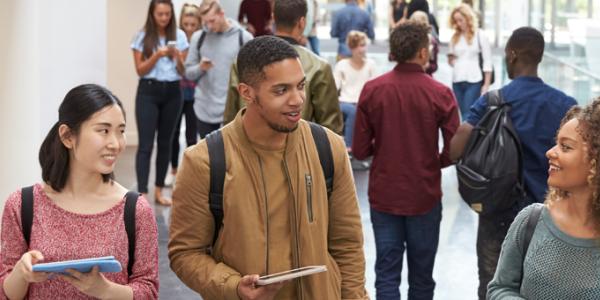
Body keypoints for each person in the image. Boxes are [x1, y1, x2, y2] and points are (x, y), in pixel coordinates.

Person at [168, 36, 368, 300]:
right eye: (281, 90)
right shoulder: (205, 161)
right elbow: (185, 253)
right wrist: (233, 286)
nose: (297, 100)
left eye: (300, 86)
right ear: (247, 92)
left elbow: (348, 244)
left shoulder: (328, 148)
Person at [450, 27, 577, 300]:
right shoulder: (565, 104)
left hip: (498, 211)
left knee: (493, 284)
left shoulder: (494, 101)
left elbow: (457, 146)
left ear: (512, 54)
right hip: (550, 213)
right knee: (543, 288)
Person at [0, 84, 159, 299]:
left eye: (120, 131)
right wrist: (21, 273)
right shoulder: (22, 204)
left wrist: (105, 290)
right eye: (103, 131)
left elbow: (148, 290)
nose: (116, 143)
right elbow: (5, 292)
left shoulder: (135, 209)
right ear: (67, 136)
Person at [353, 22, 459, 299]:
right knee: (422, 278)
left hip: (384, 193)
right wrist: (433, 161)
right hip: (424, 194)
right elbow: (455, 148)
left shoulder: (372, 90)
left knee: (386, 275)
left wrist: (386, 145)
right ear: (423, 52)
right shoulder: (441, 94)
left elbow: (361, 150)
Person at [488, 99, 600, 299]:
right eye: (556, 143)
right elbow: (500, 289)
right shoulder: (532, 220)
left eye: (565, 147)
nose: (550, 152)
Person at [224, 0, 343, 135]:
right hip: (298, 150)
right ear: (302, 22)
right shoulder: (319, 66)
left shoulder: (243, 61)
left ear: (273, 17)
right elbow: (330, 127)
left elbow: (230, 117)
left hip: (246, 147)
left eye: (301, 86)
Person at [131, 0, 188, 205]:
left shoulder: (180, 36)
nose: (164, 18)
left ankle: (158, 191)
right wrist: (157, 54)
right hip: (148, 91)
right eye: (160, 14)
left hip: (173, 92)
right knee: (146, 145)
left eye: (167, 14)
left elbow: (183, 72)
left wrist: (177, 57)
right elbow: (140, 70)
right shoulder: (142, 36)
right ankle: (142, 194)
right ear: (152, 14)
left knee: (165, 143)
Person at [185, 0, 253, 139]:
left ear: (222, 14)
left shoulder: (244, 38)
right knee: (210, 158)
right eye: (205, 23)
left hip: (233, 111)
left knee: (232, 158)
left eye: (212, 21)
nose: (209, 26)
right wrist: (201, 68)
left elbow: (253, 76)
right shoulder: (198, 38)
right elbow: (188, 73)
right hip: (204, 110)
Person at [168, 3, 202, 185]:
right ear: (181, 22)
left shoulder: (201, 41)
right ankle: (173, 171)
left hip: (195, 93)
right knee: (173, 133)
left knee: (191, 135)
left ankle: (190, 173)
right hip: (177, 91)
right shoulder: (176, 40)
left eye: (193, 25)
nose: (189, 28)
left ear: (198, 24)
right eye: (186, 24)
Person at [447, 3, 491, 120]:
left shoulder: (480, 35)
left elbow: (487, 62)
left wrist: (486, 85)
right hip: (457, 80)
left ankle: (467, 138)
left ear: (468, 18)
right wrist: (451, 60)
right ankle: (470, 137)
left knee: (468, 115)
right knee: (463, 114)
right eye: (456, 21)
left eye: (460, 20)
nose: (458, 24)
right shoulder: (454, 37)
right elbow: (451, 61)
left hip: (474, 80)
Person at [333, 30, 376, 151]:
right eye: (360, 46)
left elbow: (375, 88)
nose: (363, 49)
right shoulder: (342, 65)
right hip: (344, 102)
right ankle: (349, 146)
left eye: (364, 45)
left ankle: (350, 145)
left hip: (364, 102)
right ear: (352, 47)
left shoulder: (371, 65)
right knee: (353, 111)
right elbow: (334, 87)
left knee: (356, 110)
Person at [410, 10, 439, 75]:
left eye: (421, 24)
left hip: (425, 76)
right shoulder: (407, 41)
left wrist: (427, 66)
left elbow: (434, 66)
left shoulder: (432, 41)